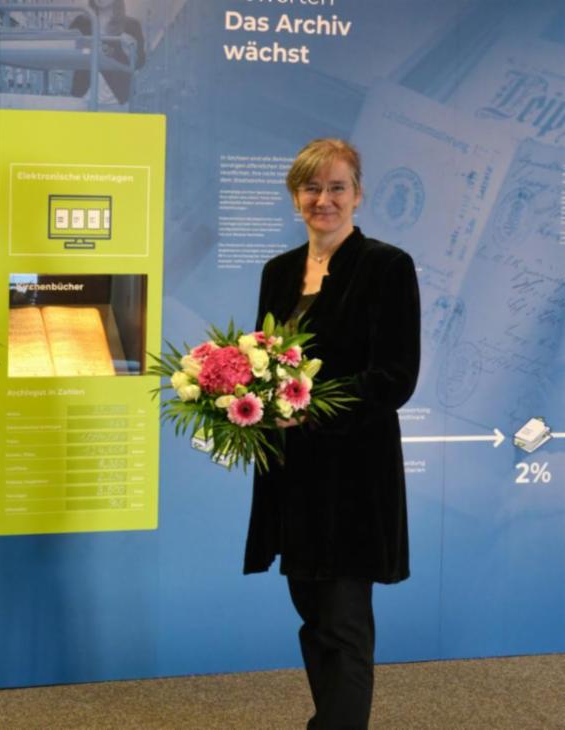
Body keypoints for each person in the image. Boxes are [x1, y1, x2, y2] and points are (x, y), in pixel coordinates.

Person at [244, 139, 420, 729]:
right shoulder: (277, 272)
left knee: (344, 624)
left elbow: (394, 378)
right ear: (296, 196)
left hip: (353, 477)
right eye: (312, 188)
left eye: (337, 187)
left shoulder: (387, 267)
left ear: (358, 194)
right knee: (313, 617)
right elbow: (261, 363)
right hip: (292, 476)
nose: (324, 200)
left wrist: (309, 410)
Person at [70, 0, 146, 106]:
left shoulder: (131, 25)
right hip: (83, 96)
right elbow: (68, 53)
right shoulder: (80, 22)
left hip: (116, 99)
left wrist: (129, 50)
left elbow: (140, 62)